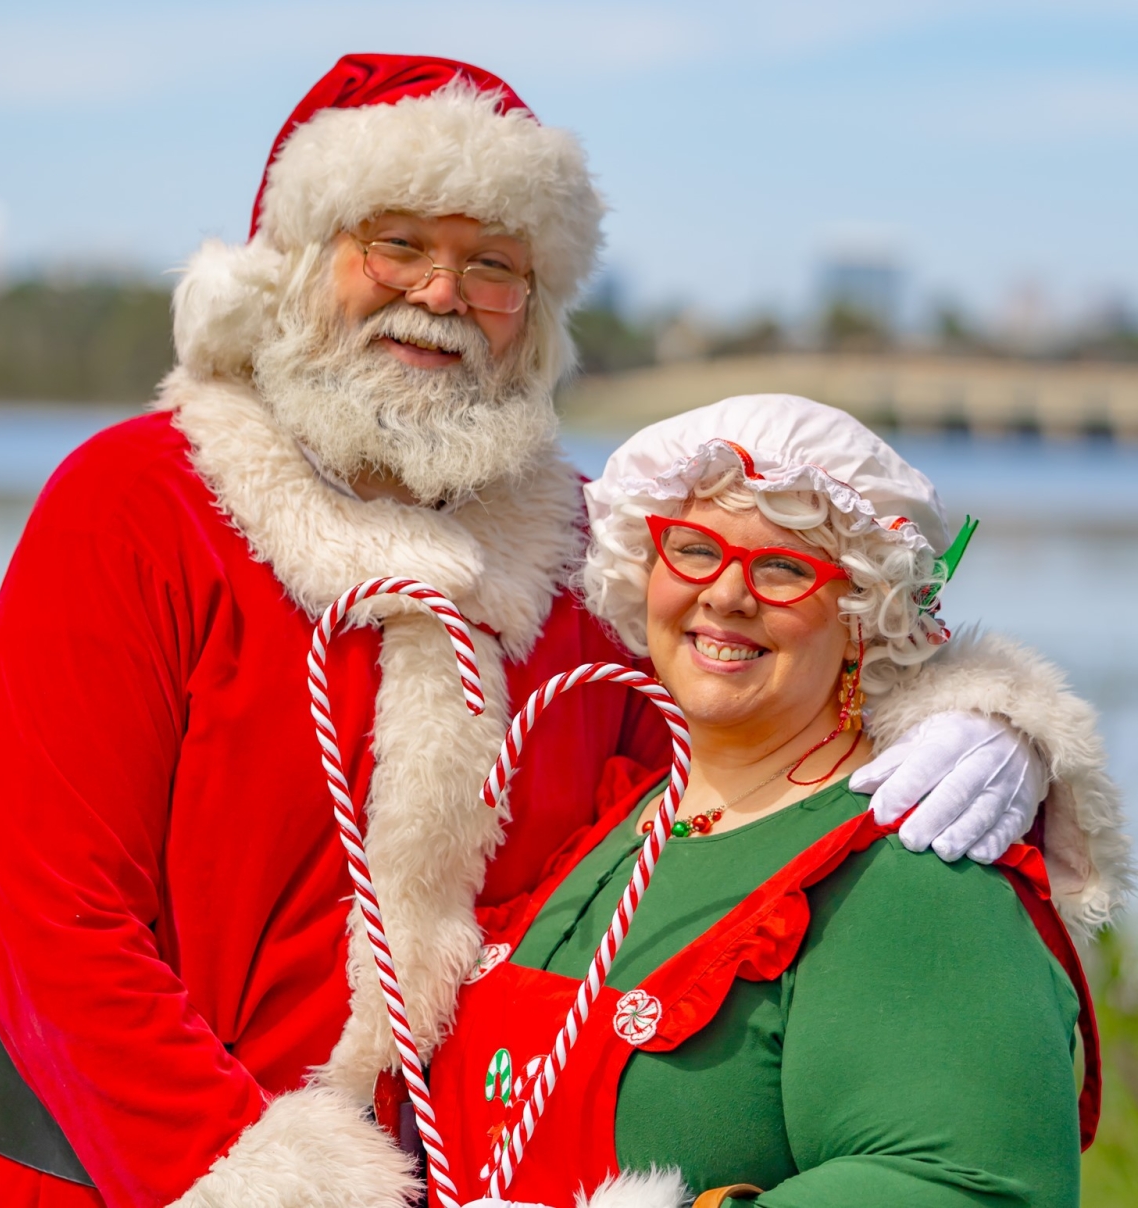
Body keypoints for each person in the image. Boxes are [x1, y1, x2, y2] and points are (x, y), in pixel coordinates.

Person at [0, 53, 1126, 1208]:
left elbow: (750, 725)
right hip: (98, 1179)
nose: (443, 296)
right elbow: (46, 912)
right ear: (295, 264)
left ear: (537, 309)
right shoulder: (139, 505)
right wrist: (251, 1176)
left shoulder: (573, 559)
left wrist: (978, 717)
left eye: (493, 265)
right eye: (396, 243)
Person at [427, 395, 1124, 1208]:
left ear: (866, 613)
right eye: (692, 549)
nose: (725, 594)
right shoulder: (622, 819)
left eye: (784, 568)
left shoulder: (917, 870)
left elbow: (972, 1188)